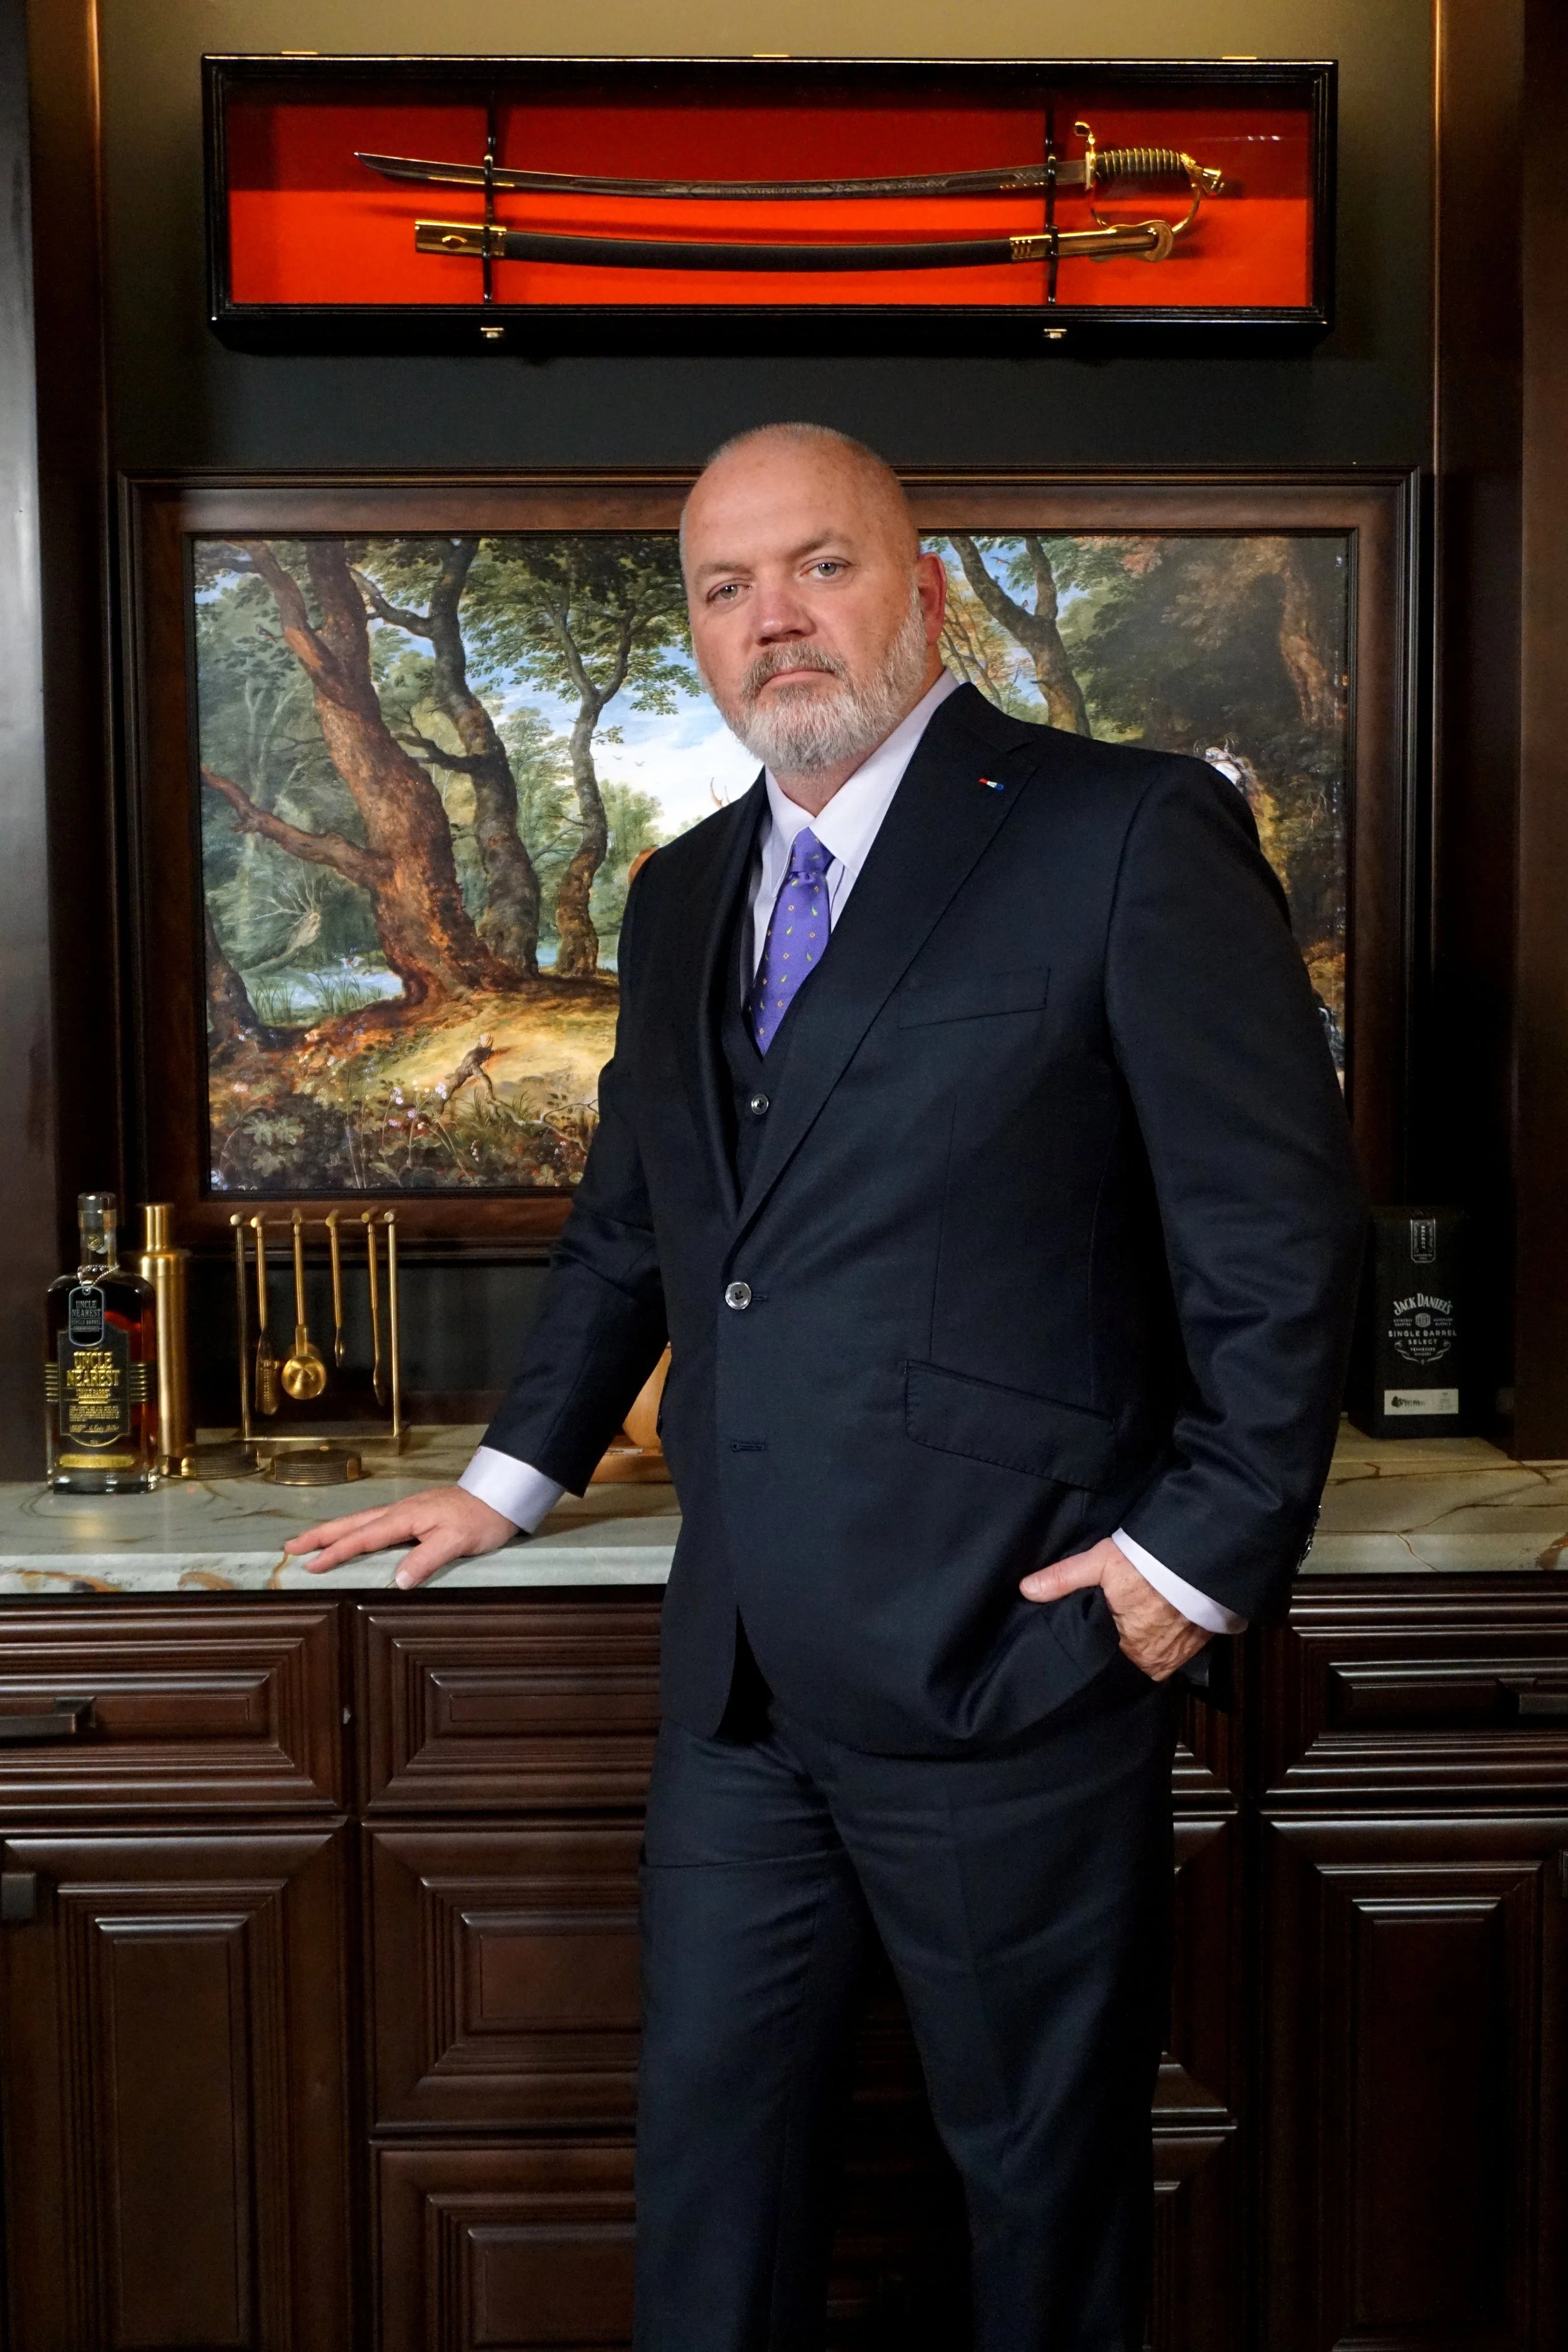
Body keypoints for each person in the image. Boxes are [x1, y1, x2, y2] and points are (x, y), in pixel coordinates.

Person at [288, 423, 1365, 2351]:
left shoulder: (1119, 831)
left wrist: (1190, 1563)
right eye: (723, 588)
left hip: (1013, 1653)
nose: (770, 618)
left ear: (920, 587)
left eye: (818, 566)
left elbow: (1273, 1237)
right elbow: (641, 1220)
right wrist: (510, 1474)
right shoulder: (682, 889)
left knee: (1039, 2208)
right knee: (712, 2189)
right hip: (739, 1690)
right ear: (696, 636)